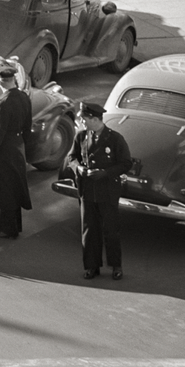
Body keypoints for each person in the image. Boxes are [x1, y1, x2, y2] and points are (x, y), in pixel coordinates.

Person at [65, 102, 130, 280]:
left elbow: (126, 163)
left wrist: (105, 173)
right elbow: (72, 157)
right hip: (88, 190)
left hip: (107, 190)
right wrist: (80, 169)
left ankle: (116, 265)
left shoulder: (115, 139)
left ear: (94, 119)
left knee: (111, 229)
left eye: (84, 119)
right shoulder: (81, 137)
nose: (82, 122)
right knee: (89, 229)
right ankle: (91, 266)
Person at [0, 67, 32, 238]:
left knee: (6, 192)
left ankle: (6, 229)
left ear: (0, 82)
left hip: (5, 150)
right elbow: (28, 126)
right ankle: (16, 226)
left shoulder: (4, 103)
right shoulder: (24, 97)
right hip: (18, 146)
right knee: (15, 188)